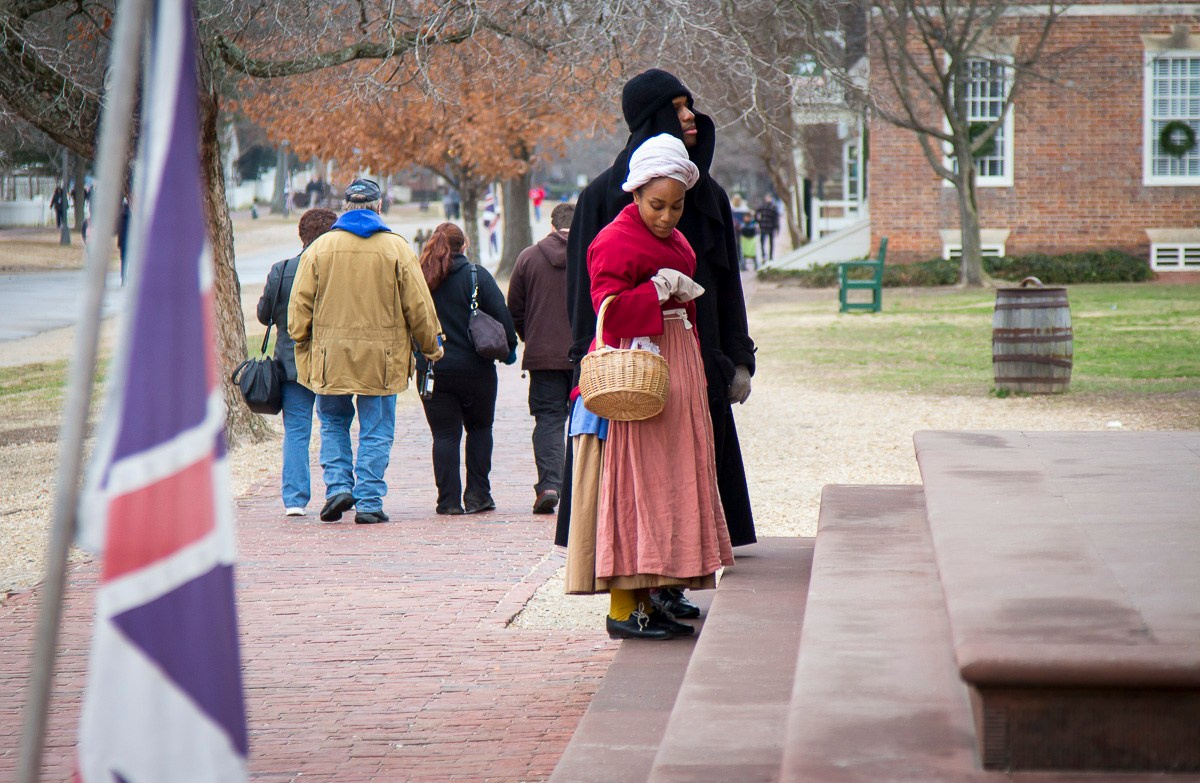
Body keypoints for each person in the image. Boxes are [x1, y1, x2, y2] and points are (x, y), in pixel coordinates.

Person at [560, 68, 757, 621]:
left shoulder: (708, 195)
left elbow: (726, 284)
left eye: (691, 104)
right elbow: (591, 292)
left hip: (697, 357)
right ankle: (638, 590)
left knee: (685, 474)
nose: (691, 115)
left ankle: (672, 578)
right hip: (630, 361)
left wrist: (736, 356)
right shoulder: (605, 197)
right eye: (677, 107)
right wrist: (587, 358)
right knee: (637, 479)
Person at [289, 178, 444, 524]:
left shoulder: (320, 249)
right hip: (383, 358)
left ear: (346, 207)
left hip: (330, 357)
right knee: (376, 428)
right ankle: (370, 500)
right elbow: (419, 307)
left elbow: (299, 308)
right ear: (378, 207)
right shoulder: (397, 249)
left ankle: (338, 487)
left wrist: (301, 338)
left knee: (332, 421)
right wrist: (431, 346)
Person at [415, 222, 518, 516]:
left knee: (445, 436)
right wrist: (509, 350)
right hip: (476, 369)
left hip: (433, 369)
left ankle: (447, 501)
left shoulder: (421, 278)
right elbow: (503, 318)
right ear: (465, 245)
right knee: (480, 429)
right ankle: (478, 495)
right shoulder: (477, 276)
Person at [257, 207, 338, 517]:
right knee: (333, 424)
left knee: (297, 431)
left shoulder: (282, 269)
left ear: (302, 235)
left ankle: (294, 498)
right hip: (329, 360)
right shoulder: (334, 271)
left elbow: (264, 314)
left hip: (290, 364)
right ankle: (336, 488)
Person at [506, 202, 575, 515]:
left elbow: (515, 311)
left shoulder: (528, 258)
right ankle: (586, 488)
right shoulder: (591, 255)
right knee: (590, 421)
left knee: (548, 420)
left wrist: (530, 337)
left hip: (542, 355)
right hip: (585, 355)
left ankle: (550, 484)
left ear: (552, 225)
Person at [755, 195, 780, 264]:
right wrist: (758, 221)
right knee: (762, 242)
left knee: (771, 242)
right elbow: (756, 212)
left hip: (770, 227)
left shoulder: (773, 207)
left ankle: (771, 256)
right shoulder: (763, 206)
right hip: (763, 227)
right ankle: (764, 255)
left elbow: (776, 218)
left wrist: (777, 227)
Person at [482, 188, 502, 259]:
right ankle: (493, 249)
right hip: (490, 218)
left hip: (491, 218)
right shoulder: (490, 197)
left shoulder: (493, 197)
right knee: (492, 235)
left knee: (493, 234)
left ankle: (495, 249)